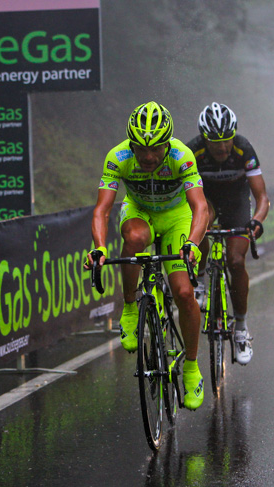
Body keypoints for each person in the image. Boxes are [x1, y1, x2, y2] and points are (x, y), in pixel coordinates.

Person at [84, 101, 208, 410]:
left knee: (182, 291)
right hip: (139, 211)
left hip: (176, 216)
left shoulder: (182, 156)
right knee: (135, 237)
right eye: (141, 149)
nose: (149, 156)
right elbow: (102, 209)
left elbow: (200, 207)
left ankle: (192, 368)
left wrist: (192, 243)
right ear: (131, 144)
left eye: (156, 149)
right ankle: (129, 308)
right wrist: (99, 247)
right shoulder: (118, 157)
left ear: (168, 144)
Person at [186, 102, 270, 365]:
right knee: (202, 225)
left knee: (235, 260)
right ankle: (199, 279)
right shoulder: (192, 150)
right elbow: (182, 193)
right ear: (204, 138)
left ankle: (241, 329)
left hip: (236, 203)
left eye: (226, 141)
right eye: (215, 142)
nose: (222, 148)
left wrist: (256, 220)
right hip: (206, 201)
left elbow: (262, 197)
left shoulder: (243, 148)